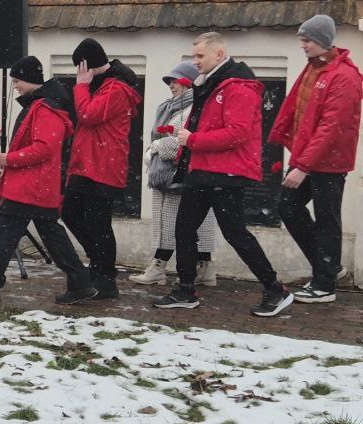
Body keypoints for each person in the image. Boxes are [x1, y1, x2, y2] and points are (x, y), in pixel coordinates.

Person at [154, 32, 291, 316]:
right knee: (184, 228)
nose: (195, 62)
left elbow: (237, 134)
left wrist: (192, 141)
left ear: (219, 55)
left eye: (200, 56)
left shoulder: (237, 87)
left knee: (234, 233)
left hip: (226, 172)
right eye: (194, 56)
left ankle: (275, 289)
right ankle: (185, 289)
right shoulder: (210, 85)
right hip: (204, 170)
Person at [0, 56, 96, 305]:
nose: (15, 86)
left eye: (17, 81)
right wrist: (9, 170)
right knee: (49, 235)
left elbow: (44, 149)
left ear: (30, 80)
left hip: (30, 188)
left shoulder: (45, 108)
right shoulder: (42, 105)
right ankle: (80, 282)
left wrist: (9, 160)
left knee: (7, 234)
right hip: (34, 186)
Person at [269, 15, 363, 304]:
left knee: (325, 219)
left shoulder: (343, 76)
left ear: (322, 41)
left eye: (307, 40)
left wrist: (302, 166)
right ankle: (329, 268)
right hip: (310, 157)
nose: (303, 45)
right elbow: (301, 113)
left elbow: (330, 127)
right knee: (289, 205)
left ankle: (324, 285)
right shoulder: (316, 69)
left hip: (328, 162)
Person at [61, 38, 142, 299]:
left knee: (99, 224)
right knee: (71, 214)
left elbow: (88, 115)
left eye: (80, 68)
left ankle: (105, 278)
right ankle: (99, 264)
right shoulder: (100, 86)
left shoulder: (116, 88)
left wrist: (81, 87)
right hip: (87, 164)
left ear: (87, 65)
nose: (78, 74)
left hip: (104, 166)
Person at [129, 62, 219, 287]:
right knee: (191, 224)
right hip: (183, 174)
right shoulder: (175, 107)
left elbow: (179, 140)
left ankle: (158, 267)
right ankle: (206, 268)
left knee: (169, 224)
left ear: (189, 82)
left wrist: (156, 147)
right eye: (170, 81)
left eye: (176, 80)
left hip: (176, 175)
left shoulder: (191, 107)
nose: (171, 85)